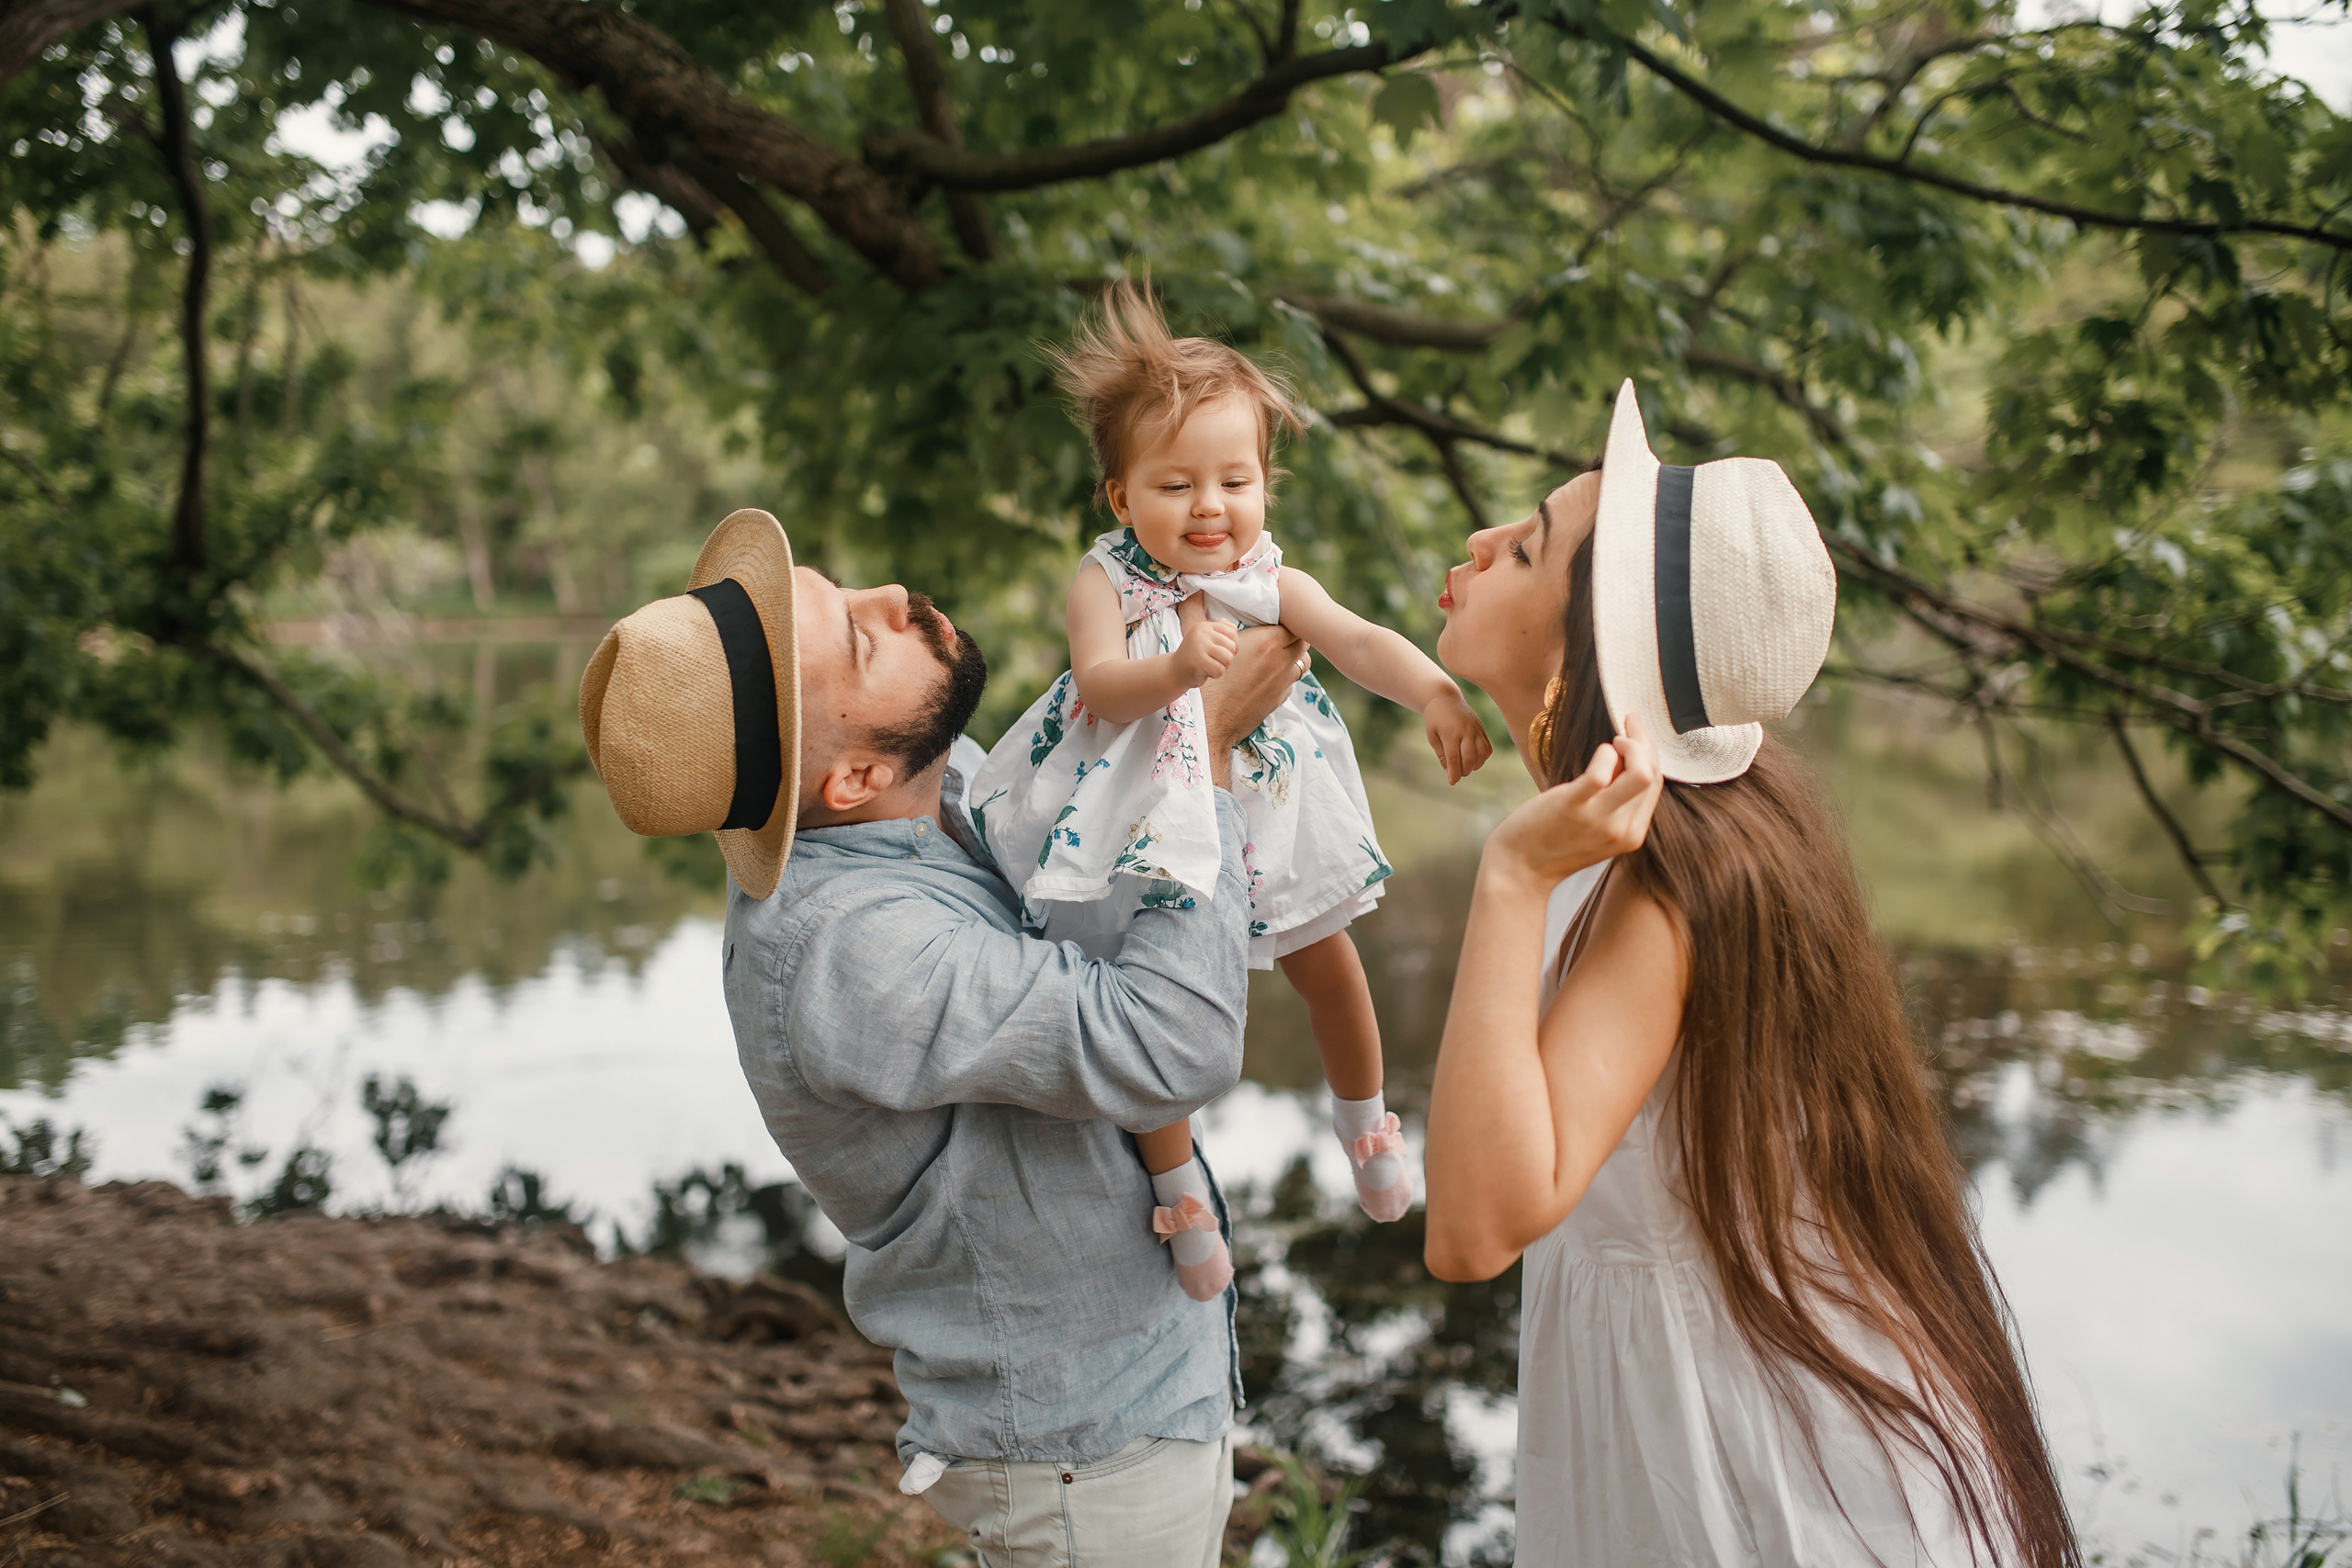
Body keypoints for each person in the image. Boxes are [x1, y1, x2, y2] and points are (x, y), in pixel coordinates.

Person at [1420, 383, 2077, 1566]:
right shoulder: (1652, 836)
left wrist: (1509, 881)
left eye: (1524, 546)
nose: (1478, 543)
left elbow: (1473, 1232)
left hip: (1744, 1448)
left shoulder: (1663, 885)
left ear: (1586, 654)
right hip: (1706, 1391)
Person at [576, 507, 1306, 1568]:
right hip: (1076, 1450)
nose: (892, 597)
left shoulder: (940, 781)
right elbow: (1170, 1042)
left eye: (842, 589)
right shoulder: (846, 947)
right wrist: (1201, 757)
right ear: (852, 780)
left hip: (1141, 1386)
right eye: (865, 641)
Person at [972, 282, 1493, 1293]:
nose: (1210, 507)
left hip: (1259, 801)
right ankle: (1179, 1194)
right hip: (1135, 807)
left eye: (1234, 480)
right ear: (1122, 497)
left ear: (1264, 484)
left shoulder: (1265, 574)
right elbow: (1099, 685)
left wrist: (1433, 687)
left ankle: (1364, 1120)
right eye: (1175, 486)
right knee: (1136, 984)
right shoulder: (1104, 582)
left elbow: (1353, 638)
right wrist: (1172, 671)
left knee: (1324, 953)